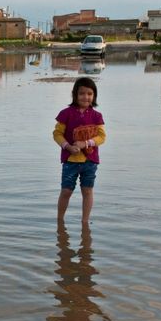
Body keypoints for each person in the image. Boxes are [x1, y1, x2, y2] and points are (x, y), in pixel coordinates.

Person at [53, 77, 106, 225]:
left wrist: (85, 143)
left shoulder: (97, 116)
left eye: (89, 93)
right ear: (75, 94)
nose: (86, 97)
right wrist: (68, 147)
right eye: (82, 93)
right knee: (66, 191)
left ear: (94, 95)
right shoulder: (66, 113)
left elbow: (102, 137)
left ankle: (85, 222)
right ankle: (60, 221)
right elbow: (57, 134)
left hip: (90, 161)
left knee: (87, 191)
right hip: (70, 160)